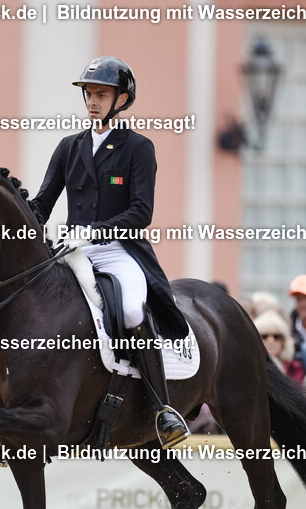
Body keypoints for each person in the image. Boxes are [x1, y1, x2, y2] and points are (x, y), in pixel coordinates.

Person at [26, 56, 191, 446]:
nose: (93, 102)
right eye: (88, 94)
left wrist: (93, 231)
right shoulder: (69, 147)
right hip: (72, 251)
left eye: (101, 94)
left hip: (119, 250)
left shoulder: (138, 148)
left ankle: (162, 409)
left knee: (133, 309)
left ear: (121, 100)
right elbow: (42, 204)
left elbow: (141, 212)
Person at [254, 310, 304, 383]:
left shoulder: (295, 368)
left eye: (276, 336)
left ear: (284, 341)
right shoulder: (252, 368)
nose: (271, 341)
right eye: (264, 336)